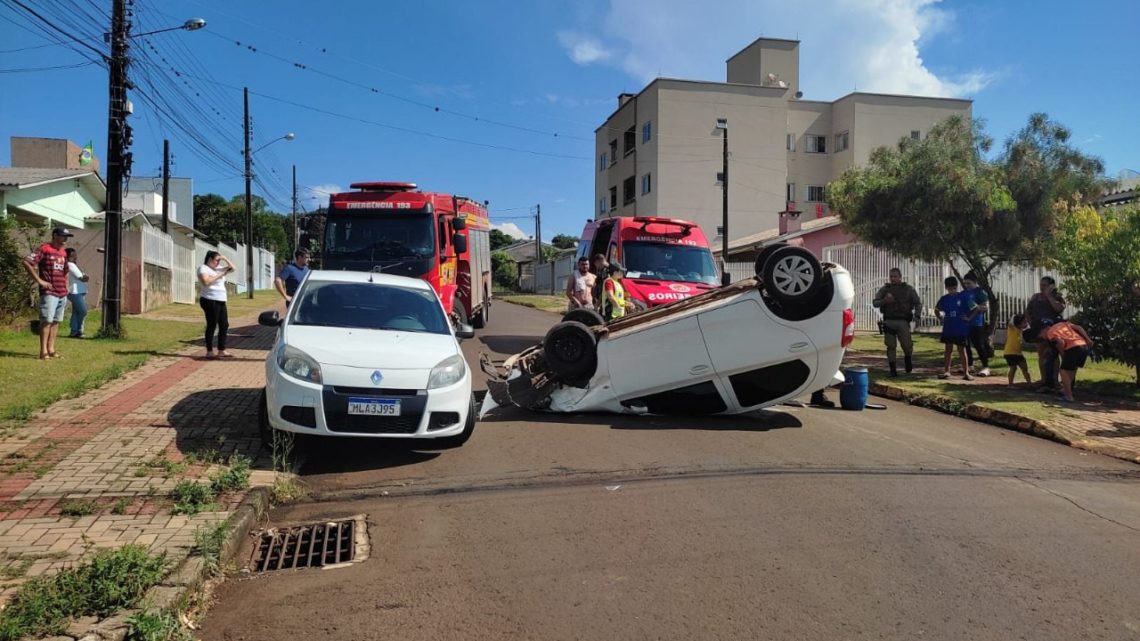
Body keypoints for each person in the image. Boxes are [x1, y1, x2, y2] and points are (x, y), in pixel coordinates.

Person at [23, 228, 73, 359]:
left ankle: (51, 349)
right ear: (55, 235)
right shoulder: (44, 249)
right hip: (49, 291)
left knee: (56, 321)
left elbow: (66, 269)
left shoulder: (63, 252)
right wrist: (39, 281)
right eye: (63, 236)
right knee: (46, 321)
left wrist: (67, 285)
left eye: (67, 237)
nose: (65, 239)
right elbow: (27, 262)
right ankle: (43, 351)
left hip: (62, 291)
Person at [872, 267, 922, 376]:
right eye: (891, 276)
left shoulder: (908, 289)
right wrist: (885, 301)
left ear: (900, 277)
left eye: (895, 276)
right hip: (889, 321)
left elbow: (918, 303)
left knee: (907, 345)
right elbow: (875, 303)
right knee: (891, 346)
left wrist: (917, 316)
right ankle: (893, 369)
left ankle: (908, 358)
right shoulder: (885, 289)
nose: (893, 279)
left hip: (903, 321)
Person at [1023, 276, 1065, 390]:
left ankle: (1055, 381)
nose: (1042, 287)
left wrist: (1049, 295)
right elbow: (1028, 311)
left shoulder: (1057, 296)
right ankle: (1044, 379)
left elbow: (1059, 308)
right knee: (1041, 353)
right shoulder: (1036, 297)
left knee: (1053, 354)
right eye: (1041, 285)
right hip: (1038, 329)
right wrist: (1031, 323)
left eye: (1045, 285)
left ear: (1051, 286)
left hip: (1053, 329)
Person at [1040, 319, 1092, 403]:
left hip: (1072, 347)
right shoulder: (1063, 324)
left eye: (1041, 335)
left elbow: (1061, 342)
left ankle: (1069, 396)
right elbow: (1079, 328)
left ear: (1044, 329)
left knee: (1063, 371)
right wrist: (1088, 339)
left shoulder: (1050, 332)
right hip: (1083, 345)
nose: (1043, 337)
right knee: (1072, 369)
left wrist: (1064, 354)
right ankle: (1065, 390)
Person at [198, 251, 234, 358]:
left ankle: (221, 350)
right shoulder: (203, 268)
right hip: (210, 300)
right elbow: (206, 282)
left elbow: (233, 268)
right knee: (212, 324)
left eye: (219, 261)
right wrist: (220, 275)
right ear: (209, 259)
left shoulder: (218, 268)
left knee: (224, 324)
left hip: (221, 300)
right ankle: (209, 351)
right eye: (216, 260)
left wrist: (224, 258)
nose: (218, 263)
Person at [935, 276, 972, 380]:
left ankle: (966, 372)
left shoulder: (963, 297)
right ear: (946, 288)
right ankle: (947, 371)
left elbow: (974, 308)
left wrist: (969, 318)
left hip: (961, 328)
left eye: (954, 288)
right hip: (949, 328)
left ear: (957, 287)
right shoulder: (944, 299)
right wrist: (940, 318)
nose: (952, 291)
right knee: (948, 349)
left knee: (961, 349)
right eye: (950, 289)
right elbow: (936, 309)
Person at [961, 272, 991, 377]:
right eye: (965, 283)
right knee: (966, 345)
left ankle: (985, 366)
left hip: (977, 323)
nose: (967, 285)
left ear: (974, 282)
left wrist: (977, 307)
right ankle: (969, 365)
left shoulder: (980, 292)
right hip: (965, 324)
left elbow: (985, 307)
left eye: (969, 283)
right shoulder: (963, 293)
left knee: (979, 345)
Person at [65, 247, 90, 338]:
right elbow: (81, 277)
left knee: (76, 312)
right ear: (68, 256)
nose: (75, 257)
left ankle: (74, 332)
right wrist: (86, 277)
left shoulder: (73, 264)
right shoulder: (70, 264)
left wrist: (85, 277)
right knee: (83, 311)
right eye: (72, 255)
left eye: (75, 255)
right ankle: (78, 329)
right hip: (74, 292)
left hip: (79, 291)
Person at [1004, 314, 1032, 386]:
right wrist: (1014, 316)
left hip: (1018, 353)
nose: (1026, 323)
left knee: (1024, 368)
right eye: (1024, 322)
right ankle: (1010, 384)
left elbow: (1028, 327)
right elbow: (1010, 322)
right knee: (1013, 368)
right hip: (1010, 353)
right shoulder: (1012, 328)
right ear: (1018, 323)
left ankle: (1029, 383)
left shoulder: (1021, 331)